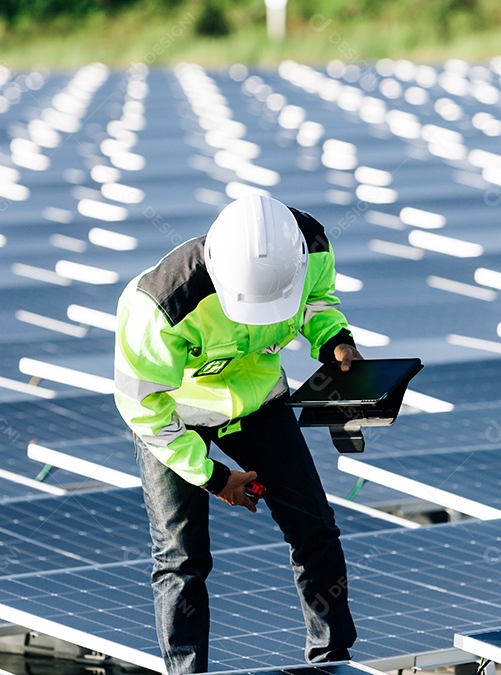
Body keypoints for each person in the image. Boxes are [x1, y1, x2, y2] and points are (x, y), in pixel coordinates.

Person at [113, 194, 362, 673]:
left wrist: (335, 340)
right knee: (180, 559)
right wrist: (212, 477)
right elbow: (144, 408)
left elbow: (317, 302)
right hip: (176, 419)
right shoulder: (161, 305)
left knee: (315, 528)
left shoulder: (309, 248)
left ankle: (333, 659)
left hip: (258, 402)